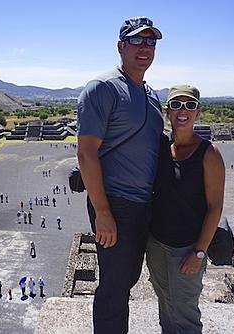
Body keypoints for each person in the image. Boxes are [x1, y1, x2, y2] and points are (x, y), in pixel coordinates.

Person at [77, 17, 163, 333]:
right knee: (114, 286)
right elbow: (86, 153)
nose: (145, 48)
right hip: (114, 202)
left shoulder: (152, 96)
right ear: (120, 45)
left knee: (127, 279)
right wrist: (102, 212)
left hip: (144, 205)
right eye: (137, 41)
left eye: (151, 42)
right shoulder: (102, 89)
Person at [147, 84, 225, 333]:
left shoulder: (208, 153)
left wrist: (199, 252)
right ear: (167, 111)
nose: (183, 110)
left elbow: (215, 207)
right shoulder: (161, 148)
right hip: (156, 244)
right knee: (166, 307)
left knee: (186, 316)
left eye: (190, 105)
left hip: (186, 249)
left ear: (198, 112)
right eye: (177, 105)